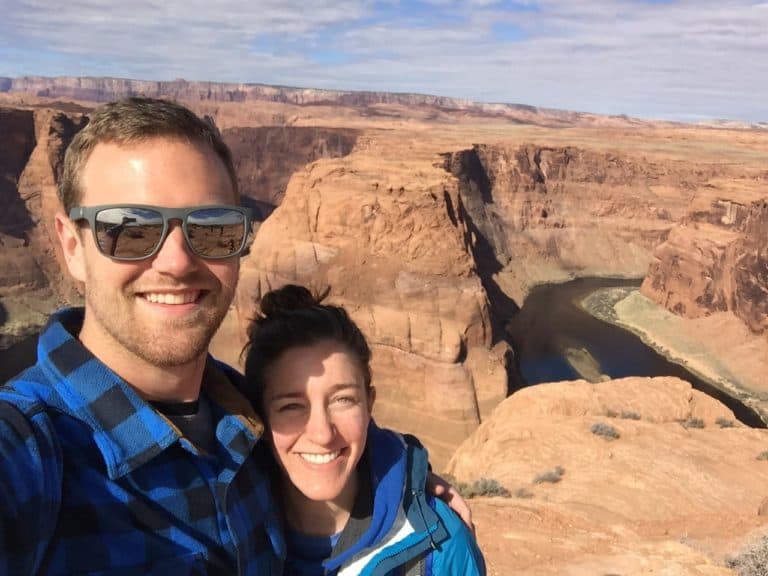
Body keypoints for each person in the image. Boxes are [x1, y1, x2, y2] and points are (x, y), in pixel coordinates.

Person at [0, 97, 472, 575]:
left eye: (213, 228)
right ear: (70, 246)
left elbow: (326, 428)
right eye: (130, 228)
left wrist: (406, 484)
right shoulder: (30, 456)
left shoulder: (245, 417)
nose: (178, 262)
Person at [243, 285, 486, 576]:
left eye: (342, 399)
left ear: (369, 405)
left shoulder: (439, 548)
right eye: (292, 406)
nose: (322, 434)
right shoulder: (230, 533)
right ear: (260, 416)